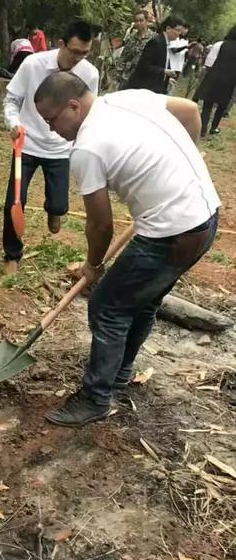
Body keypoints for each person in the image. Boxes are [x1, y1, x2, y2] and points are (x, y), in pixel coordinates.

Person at [34, 73, 220, 428]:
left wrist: (92, 267)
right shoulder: (127, 98)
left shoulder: (87, 147)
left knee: (107, 307)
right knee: (143, 300)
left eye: (52, 120)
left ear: (73, 106)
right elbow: (190, 109)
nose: (52, 130)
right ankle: (119, 374)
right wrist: (187, 160)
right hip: (205, 217)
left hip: (172, 232)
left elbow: (100, 224)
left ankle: (95, 397)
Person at [2, 20, 99, 274]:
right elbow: (12, 99)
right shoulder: (33, 64)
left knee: (59, 205)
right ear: (61, 44)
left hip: (60, 147)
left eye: (85, 53)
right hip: (27, 142)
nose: (78, 58)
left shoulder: (89, 74)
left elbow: (90, 113)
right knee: (16, 200)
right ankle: (12, 255)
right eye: (74, 51)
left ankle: (54, 210)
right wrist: (14, 123)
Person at [124, 14, 185, 93]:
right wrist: (164, 71)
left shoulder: (166, 43)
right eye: (177, 30)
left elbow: (159, 64)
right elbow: (143, 66)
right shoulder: (156, 42)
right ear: (168, 28)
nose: (179, 33)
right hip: (143, 88)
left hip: (154, 87)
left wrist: (166, 78)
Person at [194, 25, 236, 137]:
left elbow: (213, 60)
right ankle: (214, 128)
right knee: (221, 106)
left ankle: (202, 129)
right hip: (229, 80)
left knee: (208, 105)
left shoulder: (223, 44)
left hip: (214, 75)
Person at [117, 9, 153, 88]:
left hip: (143, 78)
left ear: (146, 21)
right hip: (127, 76)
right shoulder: (131, 37)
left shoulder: (153, 39)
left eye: (141, 20)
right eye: (136, 21)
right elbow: (124, 56)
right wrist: (119, 72)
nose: (138, 23)